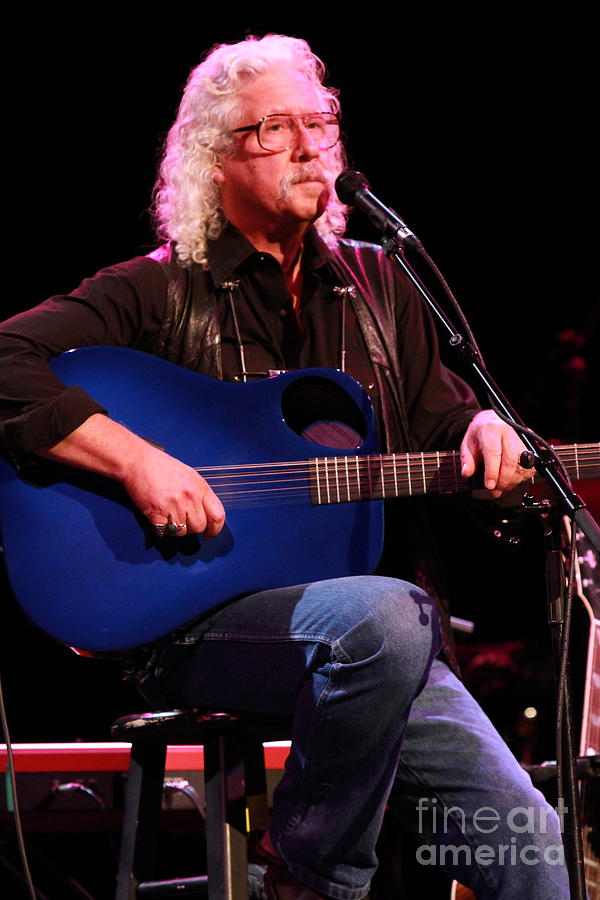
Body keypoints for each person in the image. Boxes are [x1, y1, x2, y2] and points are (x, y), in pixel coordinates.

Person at [0, 34, 569, 900]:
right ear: (213, 158)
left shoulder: (380, 288)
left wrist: (489, 431)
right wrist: (137, 460)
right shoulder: (156, 291)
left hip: (382, 641)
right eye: (275, 129)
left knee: (534, 857)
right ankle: (308, 879)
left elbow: (446, 421)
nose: (311, 148)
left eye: (322, 123)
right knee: (385, 615)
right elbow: (5, 362)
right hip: (192, 627)